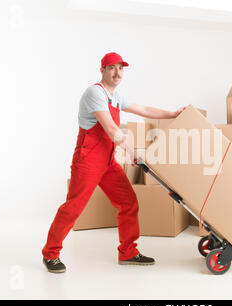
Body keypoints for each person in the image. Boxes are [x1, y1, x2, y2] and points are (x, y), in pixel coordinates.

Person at [41, 52, 185, 273]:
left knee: (128, 202)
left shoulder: (116, 96)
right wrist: (132, 152)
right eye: (112, 68)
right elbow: (110, 128)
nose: (117, 73)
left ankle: (128, 252)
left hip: (108, 160)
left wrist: (172, 114)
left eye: (121, 68)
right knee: (74, 207)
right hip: (88, 158)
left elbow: (145, 110)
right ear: (102, 71)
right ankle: (50, 254)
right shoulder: (94, 93)